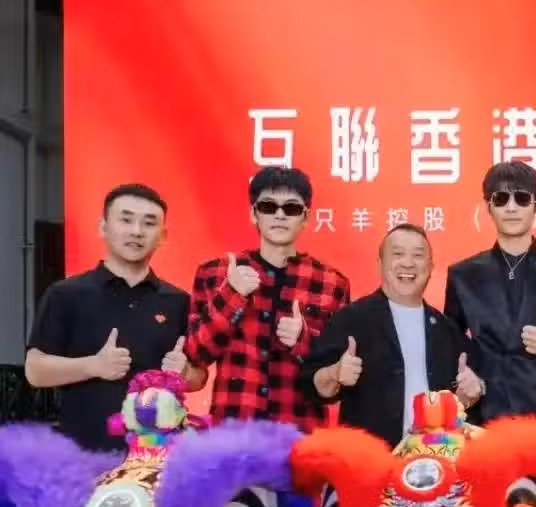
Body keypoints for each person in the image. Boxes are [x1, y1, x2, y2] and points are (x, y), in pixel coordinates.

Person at [25, 183, 205, 451]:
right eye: (126, 219)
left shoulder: (179, 301)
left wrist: (185, 373)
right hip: (83, 453)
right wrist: (93, 366)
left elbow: (199, 378)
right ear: (103, 227)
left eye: (149, 223)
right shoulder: (66, 293)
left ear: (163, 235)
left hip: (156, 456)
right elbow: (35, 371)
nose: (137, 231)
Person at [184, 166, 350, 431]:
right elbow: (197, 353)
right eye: (269, 206)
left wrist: (303, 339)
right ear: (254, 213)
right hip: (233, 433)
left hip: (301, 434)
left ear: (305, 217)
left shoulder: (332, 283)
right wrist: (232, 294)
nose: (280, 215)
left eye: (291, 208)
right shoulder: (215, 273)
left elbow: (336, 375)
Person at [302, 224, 484, 449]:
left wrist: (471, 394)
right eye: (398, 254)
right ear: (380, 263)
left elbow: (470, 397)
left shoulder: (448, 330)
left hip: (433, 459)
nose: (408, 263)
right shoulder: (350, 319)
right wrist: (335, 373)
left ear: (430, 267)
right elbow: (311, 385)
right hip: (369, 459)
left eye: (418, 255)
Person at [443, 161, 536, 424]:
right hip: (485, 413)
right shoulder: (463, 275)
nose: (511, 207)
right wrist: (463, 381)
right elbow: (450, 344)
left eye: (522, 198)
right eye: (501, 198)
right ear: (488, 207)